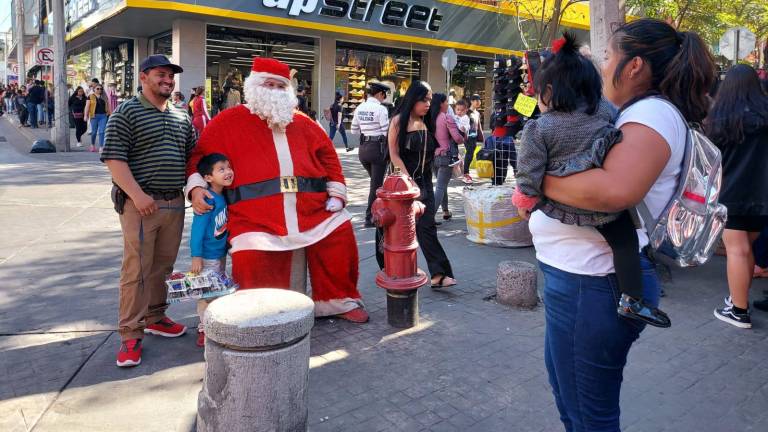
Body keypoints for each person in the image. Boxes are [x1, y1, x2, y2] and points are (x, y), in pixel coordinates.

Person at [530, 19, 714, 430]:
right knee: (573, 402)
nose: (603, 66)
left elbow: (615, 190)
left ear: (634, 66)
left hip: (595, 285)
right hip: (585, 281)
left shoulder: (652, 113)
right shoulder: (636, 113)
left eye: (609, 56)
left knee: (588, 416)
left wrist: (534, 178)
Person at [187, 57, 369, 324]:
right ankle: (261, 312)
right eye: (267, 84)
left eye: (279, 86)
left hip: (313, 211)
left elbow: (329, 157)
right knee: (252, 256)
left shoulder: (303, 122)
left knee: (339, 234)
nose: (273, 90)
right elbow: (199, 157)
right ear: (253, 87)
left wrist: (337, 193)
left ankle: (336, 301)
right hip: (255, 216)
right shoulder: (227, 121)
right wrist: (195, 189)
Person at [513, 33, 670, 328]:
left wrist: (527, 199)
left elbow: (528, 172)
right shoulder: (604, 110)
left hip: (563, 206)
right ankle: (631, 300)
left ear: (548, 91)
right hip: (606, 208)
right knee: (625, 244)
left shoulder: (539, 128)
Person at [101, 54, 194, 367]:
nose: (167, 80)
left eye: (171, 76)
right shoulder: (126, 112)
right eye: (160, 74)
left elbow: (192, 156)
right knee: (136, 270)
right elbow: (114, 158)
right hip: (141, 205)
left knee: (162, 267)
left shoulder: (182, 116)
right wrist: (138, 195)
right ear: (143, 77)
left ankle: (156, 316)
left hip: (174, 202)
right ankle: (130, 334)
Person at [705, 65, 768, 328]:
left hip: (731, 194)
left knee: (737, 250)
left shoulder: (720, 119)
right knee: (745, 249)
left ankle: (739, 311)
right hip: (762, 196)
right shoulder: (765, 117)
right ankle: (736, 300)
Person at [382, 80, 456, 289]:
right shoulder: (397, 121)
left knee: (427, 227)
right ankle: (389, 268)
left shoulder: (428, 120)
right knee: (393, 228)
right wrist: (409, 183)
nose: (427, 104)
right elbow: (394, 155)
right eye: (423, 99)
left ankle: (439, 274)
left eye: (429, 100)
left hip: (425, 181)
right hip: (402, 183)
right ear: (413, 98)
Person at [190, 153, 233, 347]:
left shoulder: (223, 196)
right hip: (207, 256)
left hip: (219, 254)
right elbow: (197, 230)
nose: (228, 172)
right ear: (208, 177)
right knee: (206, 293)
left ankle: (213, 324)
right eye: (221, 169)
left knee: (217, 290)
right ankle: (204, 328)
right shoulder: (208, 199)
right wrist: (196, 256)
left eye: (229, 167)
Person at [351, 82, 391, 228]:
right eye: (384, 96)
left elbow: (354, 130)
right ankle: (370, 217)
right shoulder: (381, 109)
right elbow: (386, 132)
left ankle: (379, 211)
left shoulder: (360, 107)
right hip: (377, 149)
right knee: (376, 185)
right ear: (380, 94)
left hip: (363, 150)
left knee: (376, 183)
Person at [428, 92, 464, 222]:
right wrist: (463, 134)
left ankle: (446, 211)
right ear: (441, 104)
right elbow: (457, 138)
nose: (448, 104)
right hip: (445, 156)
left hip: (433, 157)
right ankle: (429, 217)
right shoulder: (446, 117)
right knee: (441, 187)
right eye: (446, 102)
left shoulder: (429, 118)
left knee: (441, 184)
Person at [84, 83, 112, 152]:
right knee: (94, 132)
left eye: (101, 89)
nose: (99, 90)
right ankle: (92, 145)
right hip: (94, 116)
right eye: (98, 88)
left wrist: (110, 114)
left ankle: (101, 147)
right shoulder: (90, 96)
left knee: (102, 131)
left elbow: (108, 106)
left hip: (103, 116)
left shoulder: (104, 97)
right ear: (94, 89)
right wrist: (85, 115)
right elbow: (87, 107)